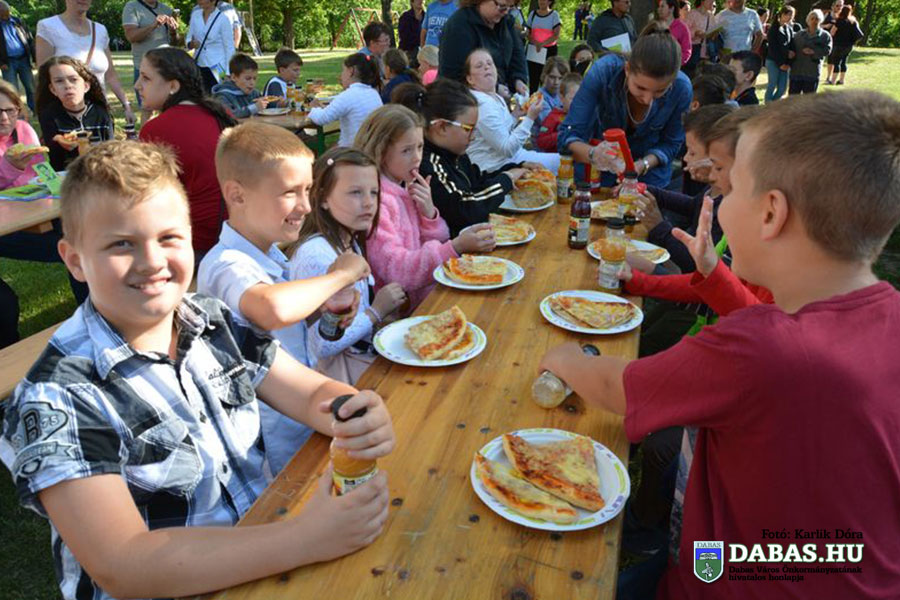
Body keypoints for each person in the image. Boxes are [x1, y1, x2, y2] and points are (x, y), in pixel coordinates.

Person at [540, 88, 900, 600]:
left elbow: (616, 388)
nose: (719, 202)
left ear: (771, 213)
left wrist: (565, 357)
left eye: (732, 192)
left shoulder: (759, 347)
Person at [0, 140, 396, 600]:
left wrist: (353, 411)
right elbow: (124, 564)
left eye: (169, 238)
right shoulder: (58, 393)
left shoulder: (209, 320)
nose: (152, 261)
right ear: (74, 261)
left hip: (263, 561)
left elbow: (307, 393)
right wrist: (305, 538)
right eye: (121, 244)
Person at [198, 122, 373, 474]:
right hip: (268, 445)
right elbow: (272, 309)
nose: (306, 206)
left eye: (307, 190)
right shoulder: (225, 265)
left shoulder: (275, 258)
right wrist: (341, 275)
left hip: (302, 419)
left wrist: (330, 313)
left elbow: (294, 335)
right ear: (237, 195)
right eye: (290, 192)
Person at [355, 104, 496, 310]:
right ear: (381, 151)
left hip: (427, 295)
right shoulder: (375, 203)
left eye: (420, 147)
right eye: (406, 150)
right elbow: (398, 271)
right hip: (400, 313)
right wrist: (456, 247)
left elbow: (434, 243)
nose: (417, 157)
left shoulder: (407, 187)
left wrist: (428, 214)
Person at [289, 148, 408, 383]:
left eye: (374, 192)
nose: (368, 202)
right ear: (323, 198)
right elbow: (322, 343)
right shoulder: (317, 256)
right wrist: (376, 311)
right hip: (339, 380)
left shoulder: (347, 241)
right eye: (355, 192)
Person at [558, 31, 692, 188]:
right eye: (640, 88)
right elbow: (567, 138)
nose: (647, 99)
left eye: (660, 91)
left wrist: (643, 164)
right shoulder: (603, 72)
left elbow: (671, 144)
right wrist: (594, 154)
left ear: (672, 82)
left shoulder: (682, 89)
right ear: (627, 70)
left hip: (650, 180)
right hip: (595, 177)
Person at [137, 47, 236, 260]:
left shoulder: (156, 130)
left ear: (173, 86)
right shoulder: (221, 113)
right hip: (235, 232)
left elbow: (148, 196)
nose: (137, 85)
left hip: (194, 242)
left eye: (146, 78)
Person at [395, 79, 529, 236]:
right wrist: (506, 179)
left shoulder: (456, 155)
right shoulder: (427, 165)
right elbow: (465, 209)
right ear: (442, 127)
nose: (473, 137)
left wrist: (516, 168)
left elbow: (478, 182)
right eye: (468, 129)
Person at [35, 0, 135, 124]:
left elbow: (111, 75)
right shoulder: (48, 26)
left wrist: (126, 104)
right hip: (64, 112)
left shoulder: (100, 30)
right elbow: (44, 75)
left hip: (98, 110)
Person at [464, 49, 560, 174]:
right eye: (479, 66)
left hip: (513, 157)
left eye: (489, 63)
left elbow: (502, 130)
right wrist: (530, 118)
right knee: (564, 163)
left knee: (563, 162)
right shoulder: (482, 104)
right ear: (470, 79)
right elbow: (507, 149)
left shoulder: (494, 97)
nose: (486, 67)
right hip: (495, 168)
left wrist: (515, 116)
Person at [36, 56, 114, 172]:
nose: (68, 86)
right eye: (59, 81)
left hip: (99, 172)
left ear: (86, 86)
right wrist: (58, 140)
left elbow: (111, 149)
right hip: (66, 175)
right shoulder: (49, 115)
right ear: (53, 89)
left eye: (73, 79)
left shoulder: (101, 113)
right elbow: (54, 157)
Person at [439, 0, 529, 99]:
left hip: (497, 99)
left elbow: (517, 53)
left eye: (511, 7)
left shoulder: (505, 21)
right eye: (502, 6)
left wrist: (518, 79)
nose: (506, 12)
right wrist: (494, 87)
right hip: (465, 101)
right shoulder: (458, 25)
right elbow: (453, 76)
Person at [308, 53, 383, 148]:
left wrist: (313, 108)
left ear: (351, 71)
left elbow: (322, 118)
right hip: (371, 147)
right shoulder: (373, 93)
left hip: (352, 149)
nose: (341, 75)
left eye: (343, 70)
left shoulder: (348, 95)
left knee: (324, 151)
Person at [121, 0, 176, 123]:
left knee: (168, 107)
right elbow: (131, 37)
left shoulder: (166, 9)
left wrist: (173, 32)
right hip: (144, 68)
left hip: (166, 67)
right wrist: (153, 25)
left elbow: (175, 43)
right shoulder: (132, 7)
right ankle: (146, 134)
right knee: (147, 108)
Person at [0, 80, 41, 188]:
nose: (4, 118)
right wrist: (12, 167)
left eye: (10, 110)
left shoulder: (24, 129)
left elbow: (41, 169)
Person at [188, 0, 236, 92]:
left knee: (219, 92)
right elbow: (188, 38)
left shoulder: (223, 19)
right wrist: (191, 43)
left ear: (213, 1)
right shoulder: (195, 15)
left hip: (218, 66)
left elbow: (229, 47)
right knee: (201, 94)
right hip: (200, 63)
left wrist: (228, 72)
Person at [212, 53, 274, 119]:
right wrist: (254, 107)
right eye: (248, 79)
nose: (252, 83)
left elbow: (267, 111)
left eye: (254, 78)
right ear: (233, 77)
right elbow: (229, 115)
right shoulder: (223, 96)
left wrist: (277, 104)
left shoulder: (255, 93)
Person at [0, 1, 35, 113]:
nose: (6, 15)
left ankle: (35, 109)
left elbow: (29, 39)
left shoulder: (18, 22)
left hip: (23, 59)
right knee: (12, 90)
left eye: (7, 12)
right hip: (7, 63)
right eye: (3, 13)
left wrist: (34, 58)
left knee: (31, 87)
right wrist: (1, 63)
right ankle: (18, 112)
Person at [789, 9, 832, 96]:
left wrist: (814, 51)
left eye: (817, 19)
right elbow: (790, 47)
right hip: (797, 71)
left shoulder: (825, 36)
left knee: (809, 100)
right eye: (812, 18)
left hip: (812, 72)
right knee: (792, 99)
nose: (814, 21)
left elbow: (827, 50)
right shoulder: (799, 35)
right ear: (808, 21)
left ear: (821, 21)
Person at [537, 72, 582, 152]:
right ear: (561, 97)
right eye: (572, 99)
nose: (577, 103)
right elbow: (541, 141)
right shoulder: (553, 117)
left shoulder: (583, 116)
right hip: (557, 157)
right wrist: (560, 135)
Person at [525, 0, 562, 94]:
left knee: (547, 77)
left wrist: (542, 44)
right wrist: (535, 43)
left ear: (549, 2)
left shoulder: (554, 15)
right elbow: (527, 32)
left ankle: (546, 99)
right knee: (533, 78)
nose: (541, 1)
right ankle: (532, 99)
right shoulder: (533, 14)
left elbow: (556, 35)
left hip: (549, 51)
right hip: (534, 50)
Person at [530, 56, 568, 143]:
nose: (556, 82)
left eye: (560, 78)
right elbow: (552, 124)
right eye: (552, 77)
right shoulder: (539, 98)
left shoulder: (562, 94)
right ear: (544, 76)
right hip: (543, 142)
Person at [825, 5, 864, 85]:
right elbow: (859, 34)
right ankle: (841, 80)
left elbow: (832, 32)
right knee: (844, 62)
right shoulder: (853, 22)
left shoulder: (839, 21)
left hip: (838, 44)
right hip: (848, 46)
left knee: (836, 62)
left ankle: (833, 80)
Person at [764, 5, 794, 102]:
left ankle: (773, 104)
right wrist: (780, 64)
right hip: (773, 61)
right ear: (782, 14)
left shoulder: (789, 29)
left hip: (785, 62)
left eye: (791, 15)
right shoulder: (774, 29)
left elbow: (791, 44)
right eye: (788, 15)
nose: (790, 17)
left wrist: (790, 58)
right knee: (772, 84)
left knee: (782, 88)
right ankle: (767, 105)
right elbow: (773, 48)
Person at [649, 0, 692, 66]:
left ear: (671, 8)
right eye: (659, 7)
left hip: (672, 68)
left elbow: (686, 51)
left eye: (662, 6)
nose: (659, 9)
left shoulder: (682, 28)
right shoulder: (655, 25)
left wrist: (675, 64)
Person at [683, 0, 720, 74]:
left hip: (708, 53)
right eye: (710, 0)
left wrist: (714, 34)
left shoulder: (711, 16)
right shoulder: (692, 14)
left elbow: (712, 32)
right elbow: (684, 33)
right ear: (702, 1)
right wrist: (695, 33)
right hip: (694, 52)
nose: (712, 3)